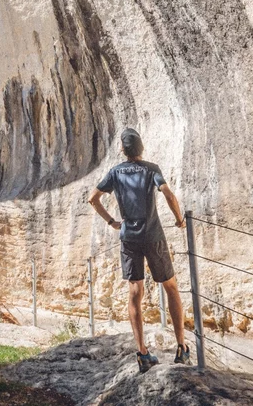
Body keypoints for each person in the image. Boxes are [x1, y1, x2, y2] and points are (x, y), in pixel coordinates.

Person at [88, 127, 191, 373]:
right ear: (141, 148)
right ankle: (181, 348)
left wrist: (112, 222)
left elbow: (93, 198)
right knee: (170, 286)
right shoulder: (151, 169)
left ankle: (143, 353)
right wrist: (179, 219)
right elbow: (166, 192)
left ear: (123, 150)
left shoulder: (115, 172)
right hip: (153, 235)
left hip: (129, 238)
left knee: (135, 291)